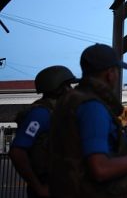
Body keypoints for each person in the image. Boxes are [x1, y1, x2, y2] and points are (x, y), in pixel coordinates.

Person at [49, 43, 127, 197]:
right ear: (110, 74)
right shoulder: (92, 107)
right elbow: (100, 169)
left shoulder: (69, 100)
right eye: (117, 71)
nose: (117, 76)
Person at [9, 65, 78, 198]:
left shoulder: (59, 111)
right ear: (59, 89)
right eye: (69, 86)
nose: (71, 90)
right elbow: (17, 152)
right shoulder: (40, 114)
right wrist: (39, 188)